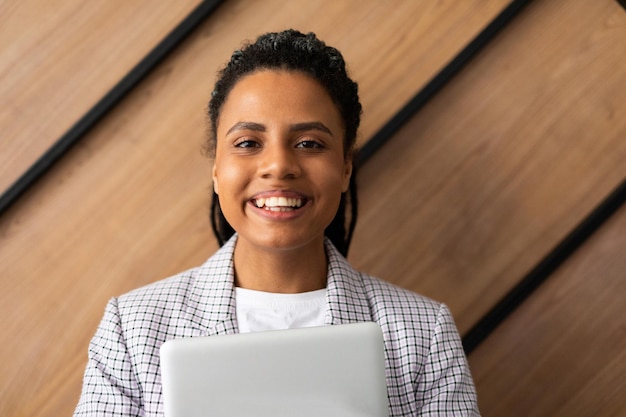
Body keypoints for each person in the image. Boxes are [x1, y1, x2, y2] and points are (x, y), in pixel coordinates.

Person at [74, 29, 480, 416]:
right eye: (248, 143)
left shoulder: (424, 333)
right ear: (217, 170)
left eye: (309, 143)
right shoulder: (133, 328)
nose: (279, 166)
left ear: (344, 168)